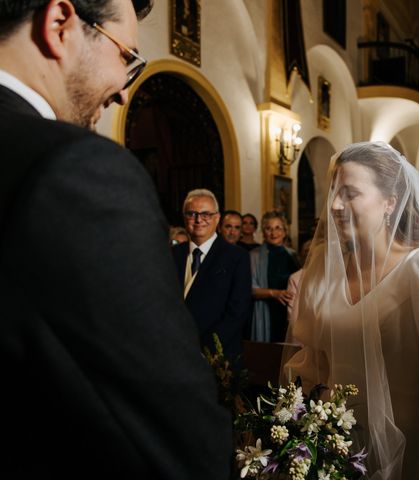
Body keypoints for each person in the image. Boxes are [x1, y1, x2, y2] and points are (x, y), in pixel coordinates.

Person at [0, 1, 232, 478]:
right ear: (60, 24)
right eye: (125, 55)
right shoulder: (76, 171)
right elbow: (182, 444)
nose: (126, 94)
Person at [282, 142, 419, 480]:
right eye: (332, 193)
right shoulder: (324, 273)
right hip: (329, 444)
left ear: (390, 202)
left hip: (404, 448)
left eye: (350, 193)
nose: (335, 206)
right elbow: (312, 366)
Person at [172, 190, 252, 366]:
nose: (199, 220)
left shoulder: (236, 257)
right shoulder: (172, 254)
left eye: (206, 214)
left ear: (217, 218)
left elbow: (238, 311)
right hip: (173, 353)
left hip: (216, 357)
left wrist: (204, 349)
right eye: (192, 214)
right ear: (185, 218)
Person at [250, 211, 299, 342]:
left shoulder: (293, 255)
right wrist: (275, 293)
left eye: (278, 228)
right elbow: (250, 290)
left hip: (289, 311)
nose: (273, 232)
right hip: (266, 311)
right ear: (263, 232)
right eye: (268, 228)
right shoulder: (253, 255)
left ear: (284, 231)